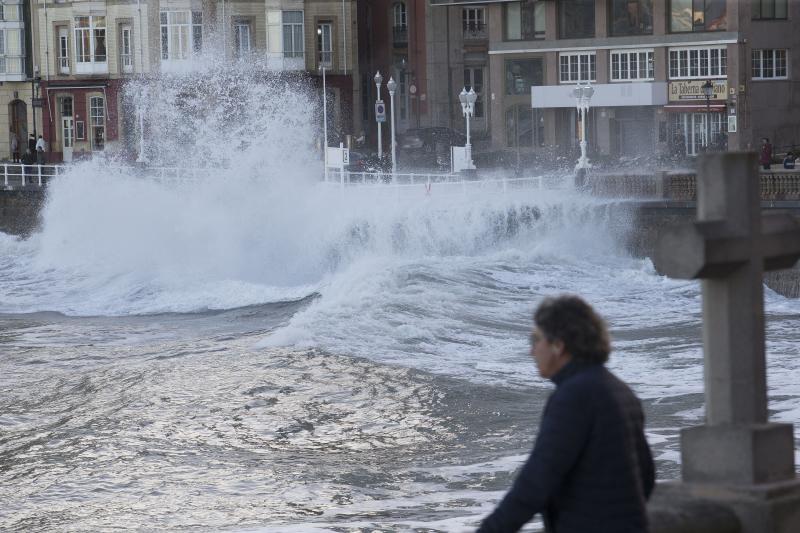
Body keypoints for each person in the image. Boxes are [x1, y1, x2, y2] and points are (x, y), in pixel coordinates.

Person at [477, 295, 655, 533]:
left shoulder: (574, 396)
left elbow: (537, 481)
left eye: (536, 340)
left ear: (558, 345)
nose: (532, 351)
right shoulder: (620, 390)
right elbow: (646, 476)